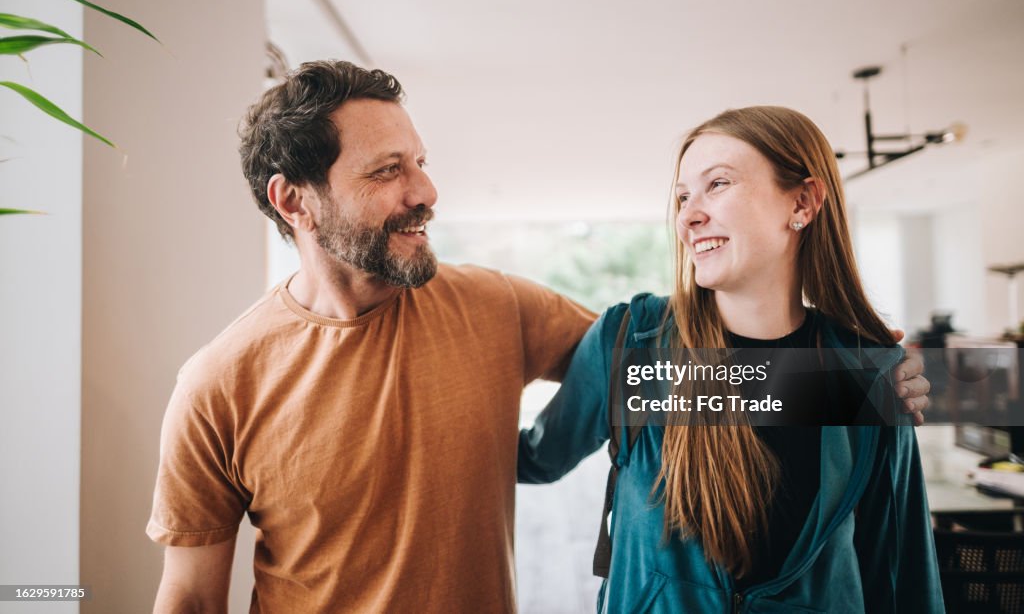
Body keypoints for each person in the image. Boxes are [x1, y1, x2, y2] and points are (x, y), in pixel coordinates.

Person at [147, 63, 931, 613]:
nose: (426, 191)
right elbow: (187, 597)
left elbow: (665, 378)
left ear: (805, 203)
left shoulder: (496, 307)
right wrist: (855, 382)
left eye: (419, 162)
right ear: (295, 202)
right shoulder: (218, 382)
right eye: (388, 170)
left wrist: (886, 377)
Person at [518, 106, 943, 613]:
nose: (689, 214)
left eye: (717, 184)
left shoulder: (867, 370)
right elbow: (534, 458)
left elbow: (900, 565)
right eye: (682, 197)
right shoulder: (632, 340)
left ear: (802, 203)